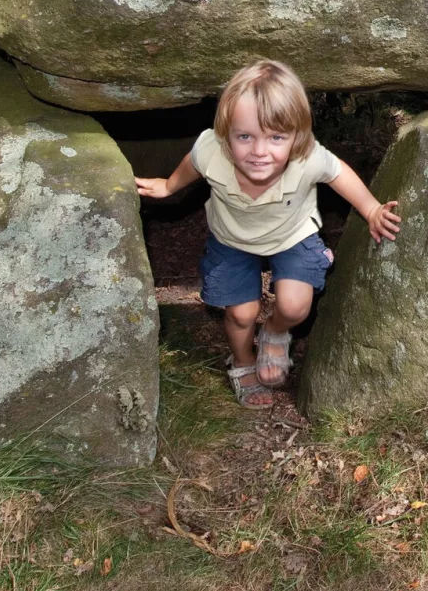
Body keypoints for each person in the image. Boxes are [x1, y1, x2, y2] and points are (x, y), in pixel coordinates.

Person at [135, 59, 400, 408]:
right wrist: (169, 186)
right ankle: (243, 360)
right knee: (241, 314)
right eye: (245, 136)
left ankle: (275, 330)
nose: (260, 151)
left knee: (294, 307)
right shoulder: (211, 150)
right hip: (231, 240)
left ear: (297, 136)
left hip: (292, 236)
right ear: (225, 133)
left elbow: (338, 173)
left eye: (276, 137)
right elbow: (193, 165)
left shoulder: (307, 158)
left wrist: (370, 209)